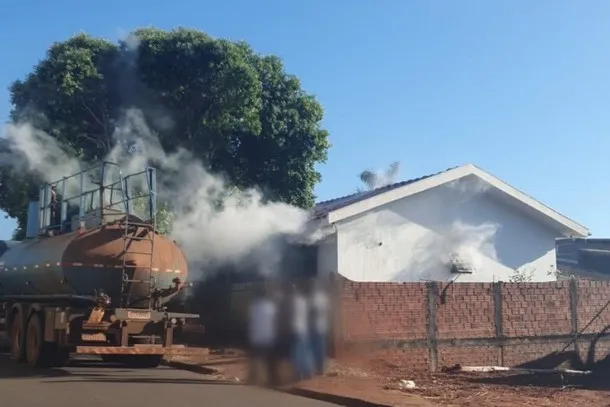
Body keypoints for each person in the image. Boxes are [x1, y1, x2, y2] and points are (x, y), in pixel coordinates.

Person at [247, 286, 279, 386]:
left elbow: (251, 321)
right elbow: (275, 322)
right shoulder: (271, 306)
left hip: (257, 336)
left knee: (255, 358)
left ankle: (253, 378)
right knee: (270, 360)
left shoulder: (254, 306)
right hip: (268, 336)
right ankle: (273, 379)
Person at [289, 283, 313, 381]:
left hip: (296, 329)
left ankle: (298, 374)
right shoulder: (303, 301)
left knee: (297, 353)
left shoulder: (292, 302)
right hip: (304, 329)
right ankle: (307, 372)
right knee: (305, 351)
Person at [309, 279, 330, 375]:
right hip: (323, 326)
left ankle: (317, 369)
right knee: (321, 348)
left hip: (315, 327)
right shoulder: (324, 298)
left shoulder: (313, 298)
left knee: (315, 349)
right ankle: (320, 368)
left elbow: (312, 313)